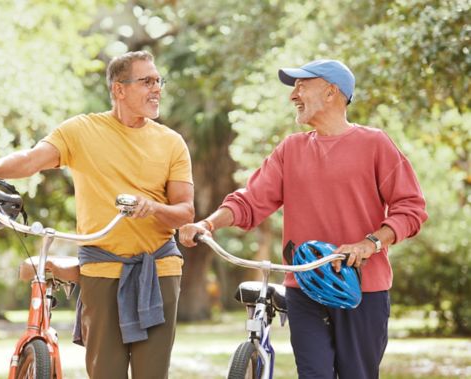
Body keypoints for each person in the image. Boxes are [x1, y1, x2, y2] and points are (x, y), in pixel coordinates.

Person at [0, 51, 194, 379]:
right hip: (101, 269)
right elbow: (31, 160)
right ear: (119, 89)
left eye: (158, 81)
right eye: (146, 81)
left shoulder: (172, 143)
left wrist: (154, 208)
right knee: (106, 373)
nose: (157, 88)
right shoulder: (82, 130)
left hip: (159, 271)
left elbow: (185, 211)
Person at [179, 59, 427, 378]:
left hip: (362, 289)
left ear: (330, 92)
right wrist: (208, 224)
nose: (293, 95)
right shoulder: (290, 149)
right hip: (304, 287)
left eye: (301, 85)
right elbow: (250, 201)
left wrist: (371, 242)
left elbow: (411, 208)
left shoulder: (374, 144)